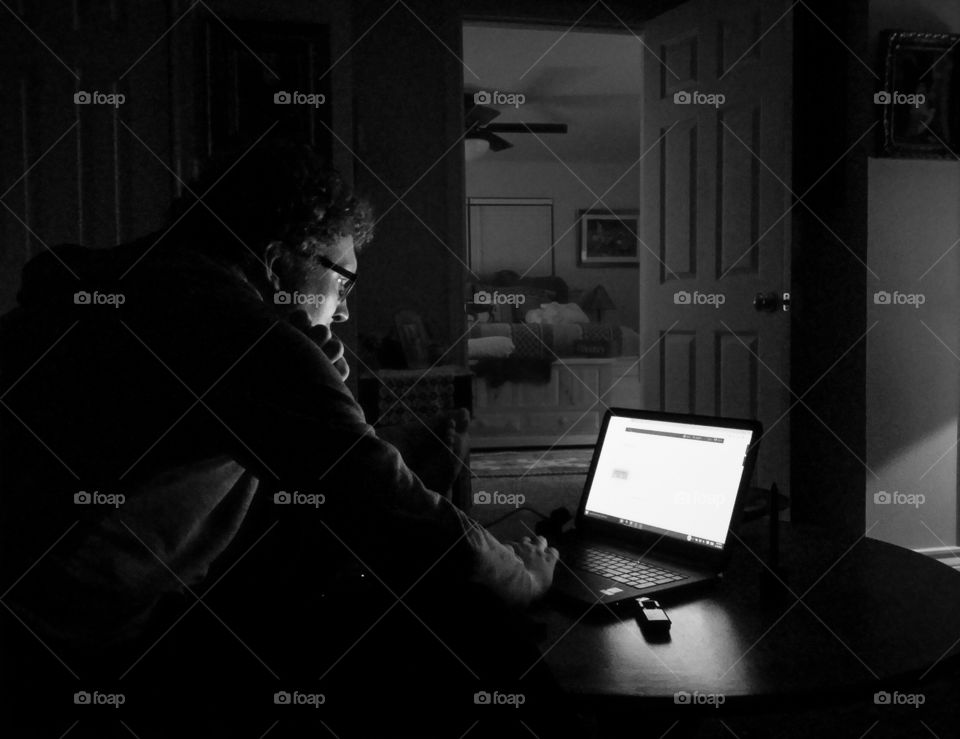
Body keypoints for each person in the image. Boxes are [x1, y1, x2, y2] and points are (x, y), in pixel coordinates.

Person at [0, 140, 566, 737]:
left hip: (60, 606)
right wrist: (522, 576)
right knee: (466, 630)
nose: (345, 311)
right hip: (65, 643)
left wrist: (358, 414)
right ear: (275, 262)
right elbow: (389, 513)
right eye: (342, 283)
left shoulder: (143, 284)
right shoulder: (228, 325)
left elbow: (297, 454)